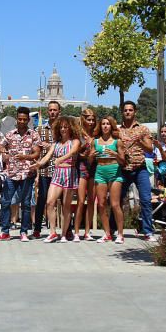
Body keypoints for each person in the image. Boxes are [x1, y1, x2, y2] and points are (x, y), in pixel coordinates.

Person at [0, 106, 40, 242]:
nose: (21, 121)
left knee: (26, 203)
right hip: (11, 173)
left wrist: (25, 157)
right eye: (19, 119)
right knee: (5, 202)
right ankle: (5, 231)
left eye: (24, 119)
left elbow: (37, 152)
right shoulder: (9, 134)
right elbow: (1, 147)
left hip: (27, 174)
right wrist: (2, 152)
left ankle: (24, 231)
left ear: (28, 120)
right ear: (16, 119)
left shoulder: (33, 135)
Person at [32, 115, 81, 243]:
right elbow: (47, 156)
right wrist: (39, 164)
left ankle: (64, 234)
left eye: (66, 127)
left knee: (66, 206)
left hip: (70, 173)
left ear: (70, 128)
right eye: (61, 127)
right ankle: (53, 232)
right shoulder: (56, 143)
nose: (63, 129)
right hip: (58, 173)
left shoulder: (75, 141)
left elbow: (73, 151)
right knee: (50, 202)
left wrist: (62, 158)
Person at [117, 100, 155, 240]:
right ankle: (114, 230)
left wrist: (140, 141)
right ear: (122, 112)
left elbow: (150, 149)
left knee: (145, 200)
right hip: (123, 169)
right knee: (116, 200)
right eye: (125, 110)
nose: (127, 112)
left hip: (140, 169)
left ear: (135, 112)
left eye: (130, 110)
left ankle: (147, 231)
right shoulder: (118, 130)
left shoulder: (143, 129)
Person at [91, 116, 125, 243]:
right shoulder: (95, 141)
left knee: (115, 204)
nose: (105, 126)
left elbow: (123, 161)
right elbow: (90, 161)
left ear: (112, 126)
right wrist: (90, 156)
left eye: (108, 124)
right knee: (101, 204)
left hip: (114, 171)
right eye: (103, 124)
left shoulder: (117, 141)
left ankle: (120, 234)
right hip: (100, 171)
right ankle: (107, 233)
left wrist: (116, 154)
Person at [32, 101, 60, 239]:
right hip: (44, 170)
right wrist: (37, 174)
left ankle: (66, 230)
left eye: (55, 110)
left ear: (59, 111)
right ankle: (37, 229)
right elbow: (36, 152)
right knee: (42, 199)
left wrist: (50, 147)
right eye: (50, 110)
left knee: (62, 201)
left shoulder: (64, 129)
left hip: (61, 171)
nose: (52, 112)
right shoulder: (40, 130)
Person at [70, 108, 98, 241]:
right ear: (83, 119)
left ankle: (87, 232)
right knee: (81, 201)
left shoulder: (96, 134)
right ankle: (76, 232)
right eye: (88, 119)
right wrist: (85, 153)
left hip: (94, 167)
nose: (91, 122)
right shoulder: (78, 134)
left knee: (92, 200)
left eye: (93, 119)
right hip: (81, 167)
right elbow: (74, 153)